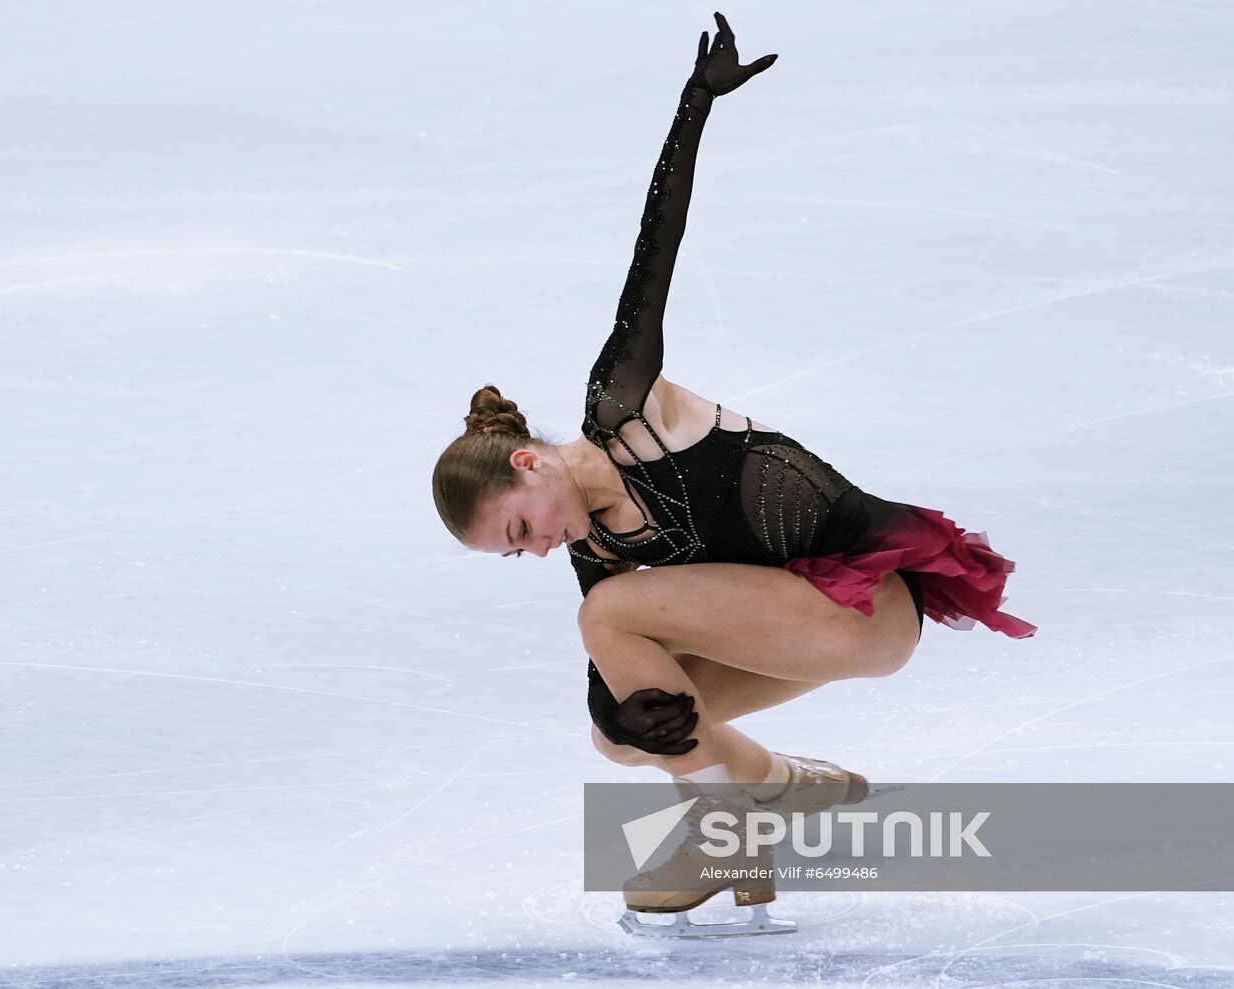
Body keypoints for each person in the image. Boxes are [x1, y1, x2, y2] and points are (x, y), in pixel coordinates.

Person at [431, 13, 1037, 921]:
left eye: (519, 528)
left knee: (613, 618)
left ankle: (741, 819)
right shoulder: (594, 545)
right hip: (800, 629)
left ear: (528, 463)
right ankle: (785, 796)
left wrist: (695, 106)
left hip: (865, 603)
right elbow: (624, 681)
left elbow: (654, 259)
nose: (534, 548)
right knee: (622, 732)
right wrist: (621, 714)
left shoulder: (624, 413)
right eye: (513, 554)